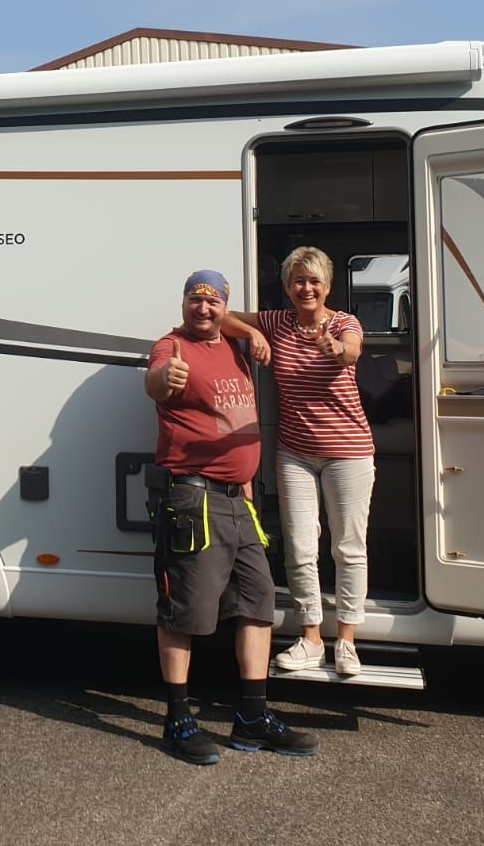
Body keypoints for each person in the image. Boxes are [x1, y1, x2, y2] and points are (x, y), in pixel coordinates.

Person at [145, 269, 319, 764]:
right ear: (182, 304)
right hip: (193, 499)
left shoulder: (232, 347)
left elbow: (237, 327)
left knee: (257, 603)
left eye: (212, 301)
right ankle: (177, 720)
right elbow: (155, 382)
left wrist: (253, 332)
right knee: (185, 612)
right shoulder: (170, 347)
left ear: (225, 306)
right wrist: (165, 381)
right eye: (194, 300)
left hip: (239, 500)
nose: (202, 309)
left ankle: (251, 718)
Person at [227, 246, 375, 678]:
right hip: (294, 452)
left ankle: (346, 640)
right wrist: (253, 334)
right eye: (297, 280)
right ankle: (311, 636)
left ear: (327, 286)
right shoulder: (279, 322)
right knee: (300, 545)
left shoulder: (345, 322)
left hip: (348, 451)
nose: (305, 288)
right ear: (288, 287)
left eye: (313, 281)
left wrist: (336, 350)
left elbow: (351, 351)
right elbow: (223, 317)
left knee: (348, 546)